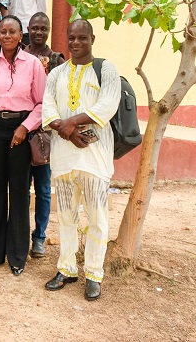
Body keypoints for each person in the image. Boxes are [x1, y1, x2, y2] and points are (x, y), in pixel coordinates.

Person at [42, 19, 121, 301]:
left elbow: (108, 104)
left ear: (92, 39)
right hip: (64, 157)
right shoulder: (57, 73)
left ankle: (94, 275)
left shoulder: (106, 68)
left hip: (95, 157)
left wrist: (71, 124)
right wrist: (68, 132)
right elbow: (48, 108)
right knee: (65, 215)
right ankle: (66, 268)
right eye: (71, 38)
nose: (76, 43)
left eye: (82, 38)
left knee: (97, 217)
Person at [0, 15, 46, 276]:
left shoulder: (34, 65)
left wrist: (25, 127)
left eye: (12, 32)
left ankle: (17, 256)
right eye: (2, 31)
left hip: (21, 131)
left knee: (18, 192)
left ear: (20, 35)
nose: (6, 36)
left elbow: (41, 103)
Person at [26, 12, 65, 257]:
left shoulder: (57, 60)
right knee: (19, 188)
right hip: (20, 132)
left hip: (44, 136)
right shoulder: (18, 54)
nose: (39, 32)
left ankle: (39, 237)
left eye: (44, 28)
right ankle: (18, 233)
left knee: (42, 188)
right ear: (28, 29)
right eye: (35, 28)